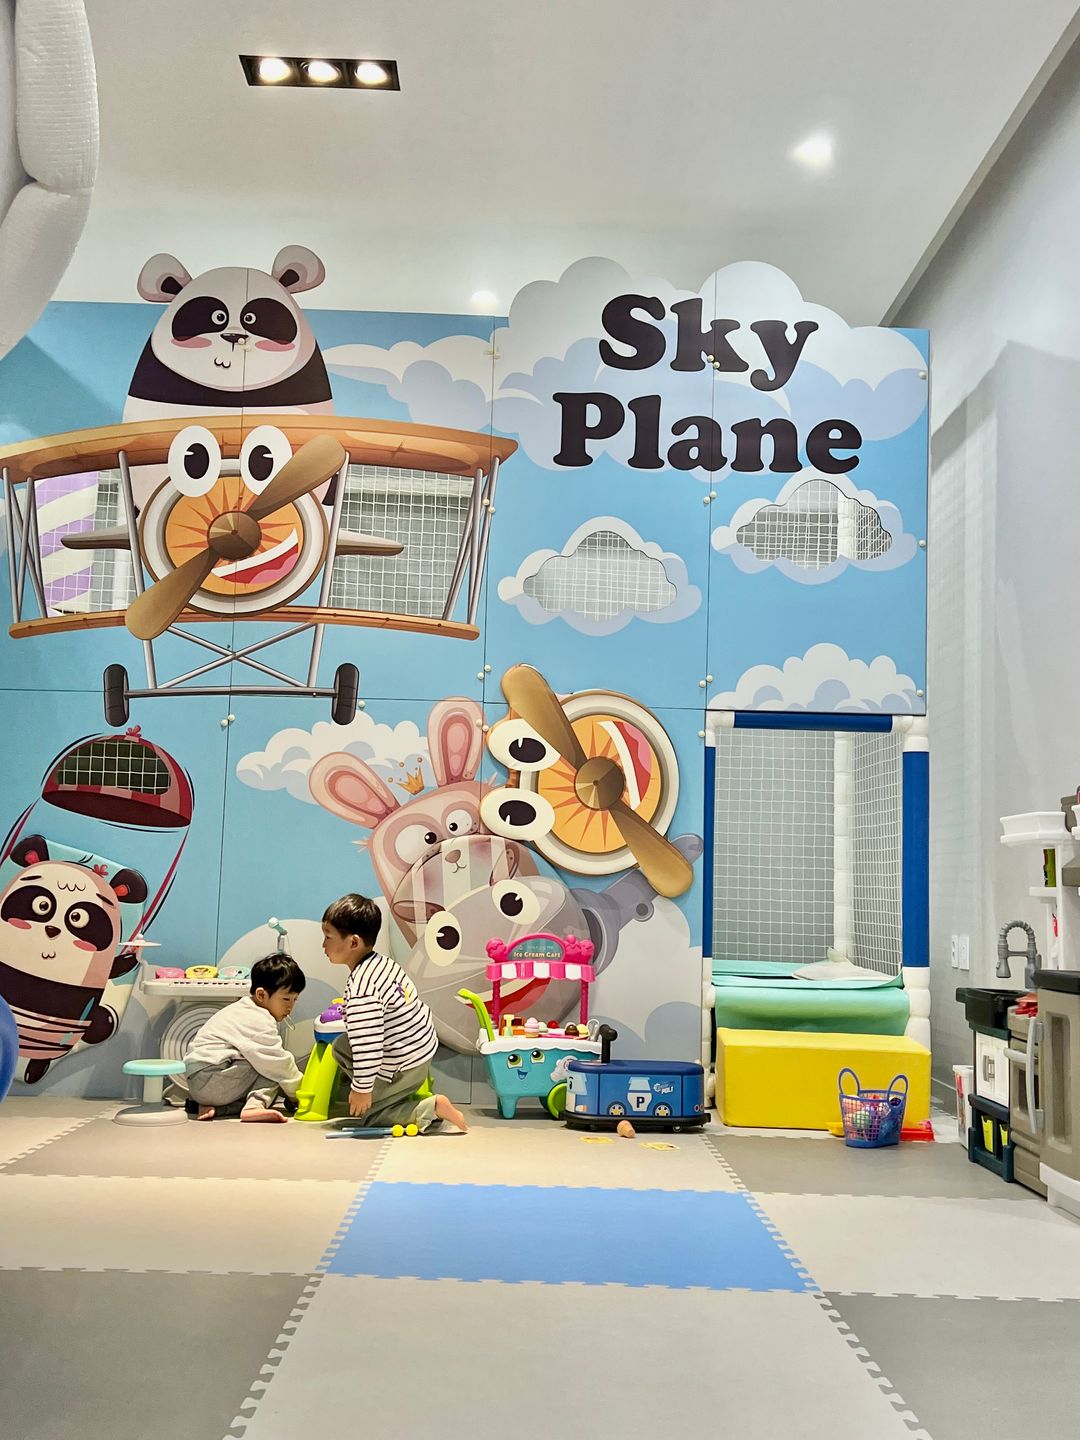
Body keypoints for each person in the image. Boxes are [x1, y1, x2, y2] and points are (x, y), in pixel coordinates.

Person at [321, 893, 467, 1133]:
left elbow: (368, 1043)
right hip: (419, 1049)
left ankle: (430, 1108)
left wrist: (361, 1089)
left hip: (403, 1063)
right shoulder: (383, 964)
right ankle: (385, 1093)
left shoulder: (362, 988)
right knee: (341, 1047)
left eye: (328, 937)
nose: (323, 945)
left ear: (353, 942)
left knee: (372, 1117)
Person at [182, 954, 305, 1123]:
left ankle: (214, 1108)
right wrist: (299, 1093)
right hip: (212, 1080)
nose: (290, 1006)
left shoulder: (242, 1009)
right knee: (272, 1065)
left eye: (294, 999)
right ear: (261, 995)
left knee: (265, 1064)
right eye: (286, 999)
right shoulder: (257, 1018)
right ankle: (255, 1106)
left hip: (199, 1083)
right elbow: (278, 1064)